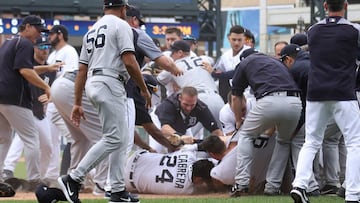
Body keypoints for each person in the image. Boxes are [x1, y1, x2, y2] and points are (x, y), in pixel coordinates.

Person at [57, 1, 151, 203]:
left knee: (119, 136)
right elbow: (129, 60)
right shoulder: (122, 25)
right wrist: (143, 89)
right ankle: (74, 178)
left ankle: (117, 190)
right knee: (115, 137)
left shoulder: (90, 31)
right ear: (124, 8)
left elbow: (82, 70)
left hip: (94, 81)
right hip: (111, 82)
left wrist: (77, 102)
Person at [290, 0, 360, 202]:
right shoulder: (354, 30)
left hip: (316, 92)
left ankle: (300, 185)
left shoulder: (313, 30)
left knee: (311, 142)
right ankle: (353, 194)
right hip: (343, 91)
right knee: (354, 143)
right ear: (346, 5)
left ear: (325, 5)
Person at [230, 52, 302, 197]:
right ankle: (272, 187)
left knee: (246, 135)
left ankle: (241, 183)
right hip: (295, 102)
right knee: (283, 142)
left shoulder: (245, 63)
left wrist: (238, 120)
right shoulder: (275, 61)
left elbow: (235, 96)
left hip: (269, 99)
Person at [2, 36, 60, 187]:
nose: (44, 50)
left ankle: (41, 175)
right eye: (41, 47)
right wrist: (47, 69)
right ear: (34, 48)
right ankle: (10, 170)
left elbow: (55, 91)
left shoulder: (51, 70)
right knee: (21, 139)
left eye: (47, 47)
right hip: (24, 107)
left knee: (47, 145)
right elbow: (28, 70)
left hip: (39, 112)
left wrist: (50, 96)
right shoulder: (27, 62)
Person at [157, 40, 225, 136]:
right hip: (217, 99)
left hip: (197, 101)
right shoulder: (203, 59)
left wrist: (173, 79)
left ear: (180, 53)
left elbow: (159, 80)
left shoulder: (174, 65)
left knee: (184, 139)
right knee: (222, 137)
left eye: (173, 53)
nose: (171, 56)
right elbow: (212, 61)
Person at [46, 24, 79, 178]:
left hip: (61, 101)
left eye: (51, 34)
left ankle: (83, 175)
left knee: (75, 138)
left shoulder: (69, 51)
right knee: (50, 143)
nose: (48, 36)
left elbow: (70, 77)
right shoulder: (52, 55)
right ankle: (52, 177)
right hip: (49, 104)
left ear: (60, 34)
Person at [150, 86, 223, 153]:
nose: (189, 108)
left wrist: (221, 145)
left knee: (188, 152)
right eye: (186, 104)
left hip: (182, 125)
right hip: (160, 123)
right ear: (180, 98)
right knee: (157, 149)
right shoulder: (169, 104)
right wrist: (180, 137)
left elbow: (216, 131)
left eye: (192, 105)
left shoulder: (201, 108)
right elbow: (165, 129)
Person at [125, 150, 214, 194]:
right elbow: (204, 190)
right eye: (203, 181)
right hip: (127, 182)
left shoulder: (188, 155)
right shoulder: (186, 190)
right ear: (198, 178)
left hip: (133, 157)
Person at [213, 25, 250, 102]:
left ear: (244, 40)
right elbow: (217, 71)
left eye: (239, 40)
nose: (236, 43)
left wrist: (215, 73)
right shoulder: (225, 55)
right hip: (231, 95)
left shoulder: (250, 53)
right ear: (229, 38)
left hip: (248, 95)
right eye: (234, 39)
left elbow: (236, 73)